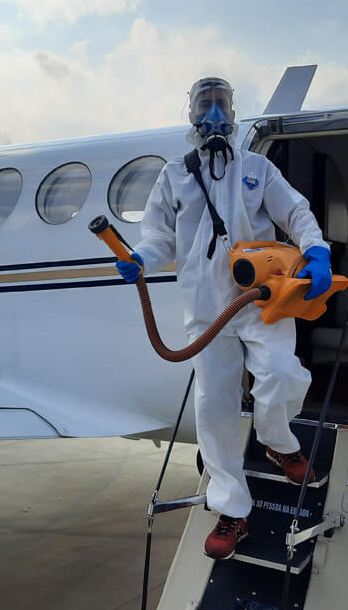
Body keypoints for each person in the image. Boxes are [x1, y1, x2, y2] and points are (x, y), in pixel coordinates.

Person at [116, 76, 332, 560]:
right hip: (206, 307)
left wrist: (316, 251)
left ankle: (277, 439)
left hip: (259, 298)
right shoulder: (174, 174)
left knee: (281, 373)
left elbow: (294, 212)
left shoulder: (257, 168)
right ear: (191, 113)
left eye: (221, 104)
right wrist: (141, 259)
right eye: (204, 104)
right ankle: (232, 510)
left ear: (233, 114)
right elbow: (159, 237)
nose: (214, 113)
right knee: (213, 409)